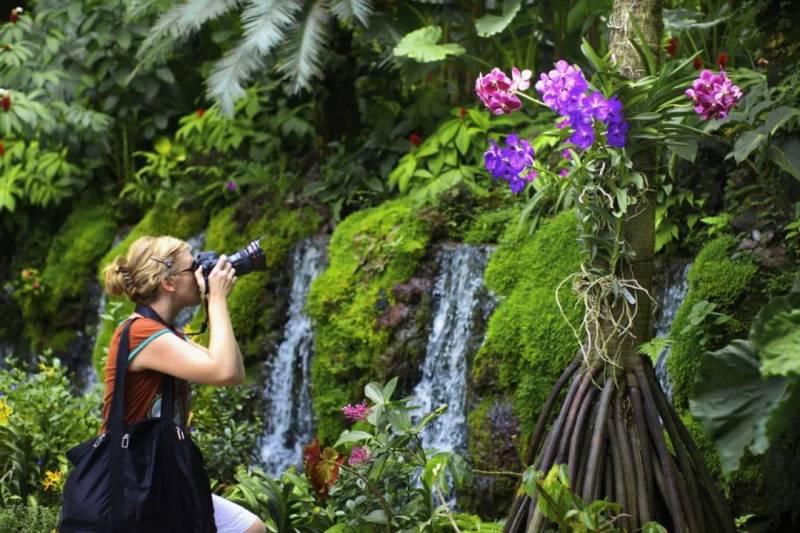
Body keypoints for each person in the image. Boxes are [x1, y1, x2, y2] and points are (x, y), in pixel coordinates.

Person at [102, 235, 266, 533]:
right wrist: (217, 300)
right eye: (193, 267)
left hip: (158, 472)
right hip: (133, 478)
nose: (201, 273)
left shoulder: (164, 333)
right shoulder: (140, 333)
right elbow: (224, 371)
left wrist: (214, 301)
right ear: (168, 282)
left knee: (250, 528)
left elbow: (234, 372)